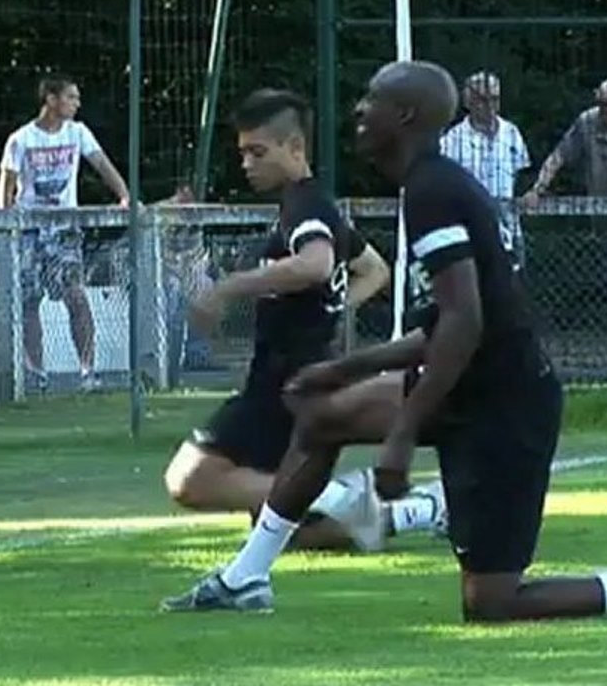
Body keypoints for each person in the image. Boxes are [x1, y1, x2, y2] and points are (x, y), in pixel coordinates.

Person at [162, 61, 607, 622]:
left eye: (372, 100)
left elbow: (465, 324)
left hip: (506, 405)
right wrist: (345, 369)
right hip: (463, 383)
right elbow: (443, 326)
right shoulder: (428, 185)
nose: (359, 110)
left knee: (493, 603)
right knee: (323, 416)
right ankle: (246, 578)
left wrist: (402, 437)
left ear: (405, 115)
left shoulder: (433, 189)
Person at [160, 88, 447, 551]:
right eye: (243, 153)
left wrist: (228, 287)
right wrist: (331, 309)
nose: (247, 164)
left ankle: (339, 496)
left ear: (295, 148)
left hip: (282, 383)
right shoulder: (318, 205)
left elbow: (314, 264)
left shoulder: (304, 207)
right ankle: (422, 510)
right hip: (306, 373)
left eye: (258, 152)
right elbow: (374, 270)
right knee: (290, 532)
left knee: (189, 479)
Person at [0, 75, 129, 393]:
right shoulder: (21, 139)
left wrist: (124, 195)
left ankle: (87, 372)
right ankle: (37, 374)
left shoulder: (78, 132)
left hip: (65, 228)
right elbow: (7, 184)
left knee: (77, 297)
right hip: (29, 229)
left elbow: (101, 163)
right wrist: (7, 222)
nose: (77, 103)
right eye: (71, 97)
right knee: (30, 301)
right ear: (51, 100)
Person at [440, 71, 530, 268]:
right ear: (468, 102)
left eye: (495, 99)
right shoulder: (451, 142)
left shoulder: (512, 133)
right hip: (468, 232)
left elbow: (521, 176)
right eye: (482, 99)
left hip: (509, 230)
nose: (490, 106)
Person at [523, 78, 607, 208]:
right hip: (601, 213)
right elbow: (558, 157)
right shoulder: (587, 123)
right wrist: (537, 190)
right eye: (603, 104)